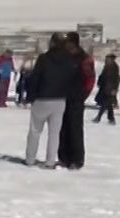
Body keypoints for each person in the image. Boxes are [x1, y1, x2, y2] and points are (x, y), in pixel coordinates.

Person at [26, 35, 74, 167]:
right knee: (54, 133)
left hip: (42, 98)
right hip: (59, 100)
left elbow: (36, 78)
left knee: (35, 131)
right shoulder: (68, 60)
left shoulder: (44, 59)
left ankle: (30, 159)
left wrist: (31, 95)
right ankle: (50, 161)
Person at [56, 32, 90, 169]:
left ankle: (77, 159)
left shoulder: (84, 58)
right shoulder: (63, 57)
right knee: (63, 128)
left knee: (75, 129)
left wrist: (83, 95)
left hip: (76, 98)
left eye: (68, 42)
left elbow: (89, 79)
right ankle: (64, 158)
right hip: (62, 96)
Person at [94, 54, 120, 124]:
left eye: (108, 59)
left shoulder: (114, 67)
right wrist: (100, 82)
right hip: (105, 88)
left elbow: (116, 79)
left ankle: (98, 117)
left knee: (105, 104)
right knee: (108, 105)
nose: (106, 60)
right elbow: (103, 76)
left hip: (110, 88)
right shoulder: (107, 66)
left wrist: (114, 89)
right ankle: (111, 119)